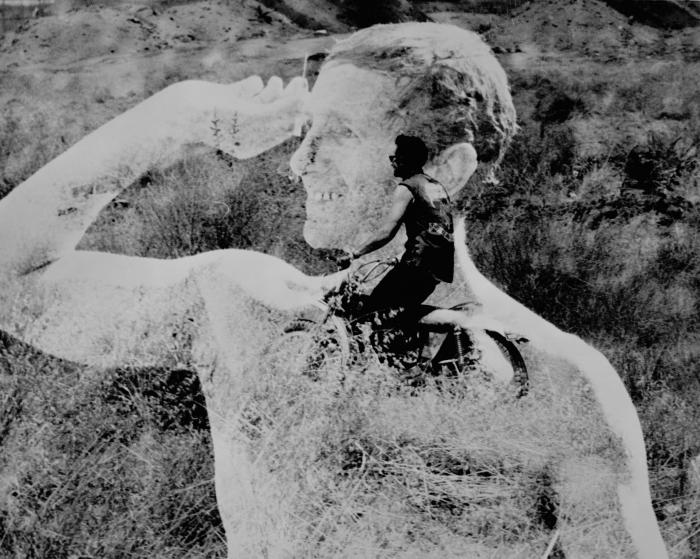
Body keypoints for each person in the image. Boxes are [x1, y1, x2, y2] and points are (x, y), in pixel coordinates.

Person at [341, 134, 455, 327]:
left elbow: (387, 231)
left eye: (394, 157)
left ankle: (447, 323)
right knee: (397, 314)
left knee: (372, 312)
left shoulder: (407, 188)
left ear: (406, 158)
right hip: (440, 265)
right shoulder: (434, 186)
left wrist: (355, 253)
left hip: (418, 263)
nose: (391, 162)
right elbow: (435, 226)